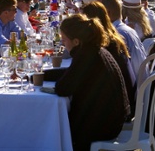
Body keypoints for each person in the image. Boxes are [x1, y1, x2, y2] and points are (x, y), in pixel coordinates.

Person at [55, 14, 130, 150]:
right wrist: (39, 75)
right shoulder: (94, 50)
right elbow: (71, 73)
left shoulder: (85, 56)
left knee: (55, 124)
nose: (63, 44)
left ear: (76, 41)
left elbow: (63, 88)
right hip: (113, 118)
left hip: (103, 126)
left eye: (64, 40)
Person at [82, 1, 136, 116]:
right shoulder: (113, 37)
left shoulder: (102, 45)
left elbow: (78, 76)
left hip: (117, 110)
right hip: (127, 100)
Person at [98, 0, 146, 80]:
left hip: (134, 86)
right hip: (140, 80)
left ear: (107, 13)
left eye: (97, 11)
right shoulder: (127, 29)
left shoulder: (117, 35)